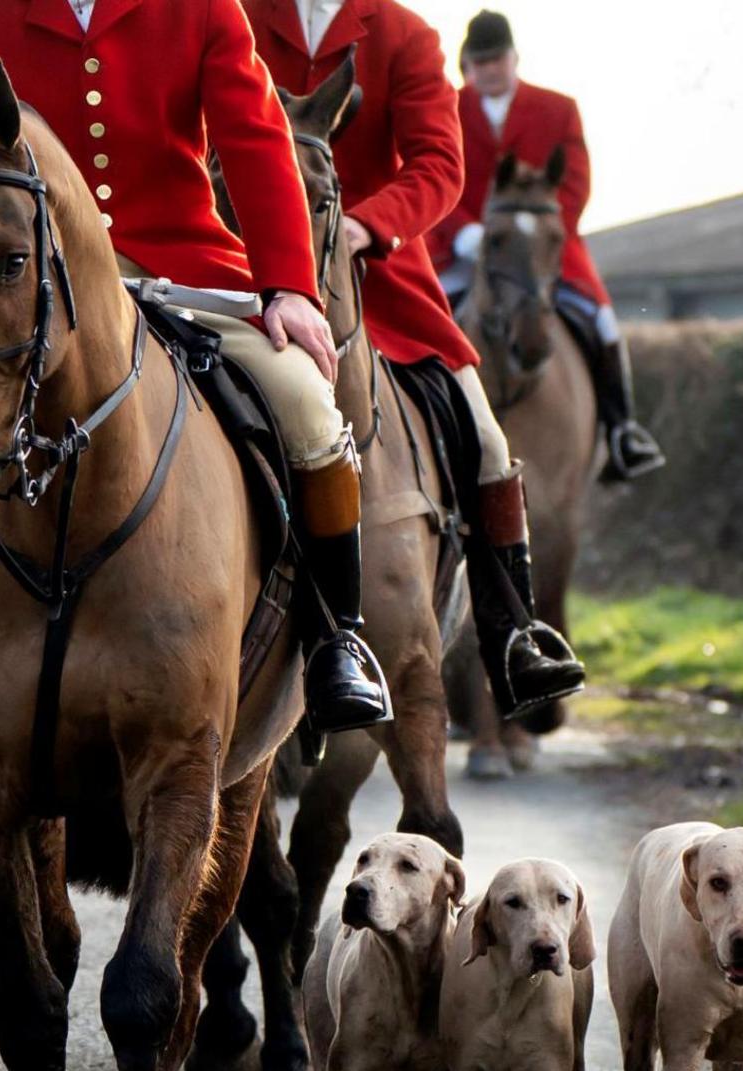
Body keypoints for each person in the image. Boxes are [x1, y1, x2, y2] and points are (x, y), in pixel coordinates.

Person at [0, 0, 392, 734]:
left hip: (181, 265)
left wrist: (289, 286)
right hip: (20, 282)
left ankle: (334, 641)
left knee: (309, 408)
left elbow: (256, 140)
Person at [248, 0, 583, 716]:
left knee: (488, 439)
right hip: (243, 267)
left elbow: (439, 163)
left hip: (379, 275)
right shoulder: (235, 15)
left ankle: (514, 639)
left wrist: (372, 224)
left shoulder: (403, 35)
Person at [429, 9, 663, 481]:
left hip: (545, 248)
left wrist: (538, 238)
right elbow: (433, 173)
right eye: (480, 61)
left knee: (603, 322)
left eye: (497, 59)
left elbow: (574, 186)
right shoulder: (446, 109)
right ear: (467, 67)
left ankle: (622, 433)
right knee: (417, 317)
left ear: (514, 58)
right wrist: (465, 231)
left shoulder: (559, 109)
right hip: (464, 247)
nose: (490, 68)